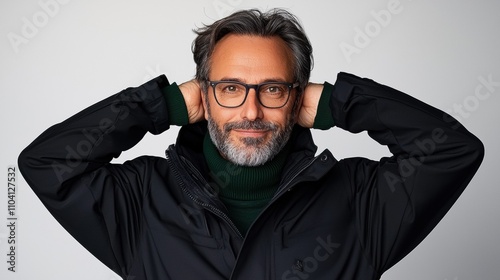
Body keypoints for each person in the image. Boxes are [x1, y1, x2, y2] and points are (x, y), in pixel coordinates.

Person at [18, 8, 484, 280]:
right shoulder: (141, 202)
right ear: (202, 94)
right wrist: (157, 106)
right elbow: (47, 162)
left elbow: (451, 150)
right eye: (230, 87)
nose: (251, 111)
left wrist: (342, 103)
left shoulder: (360, 203)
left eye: (273, 89)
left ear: (298, 97)